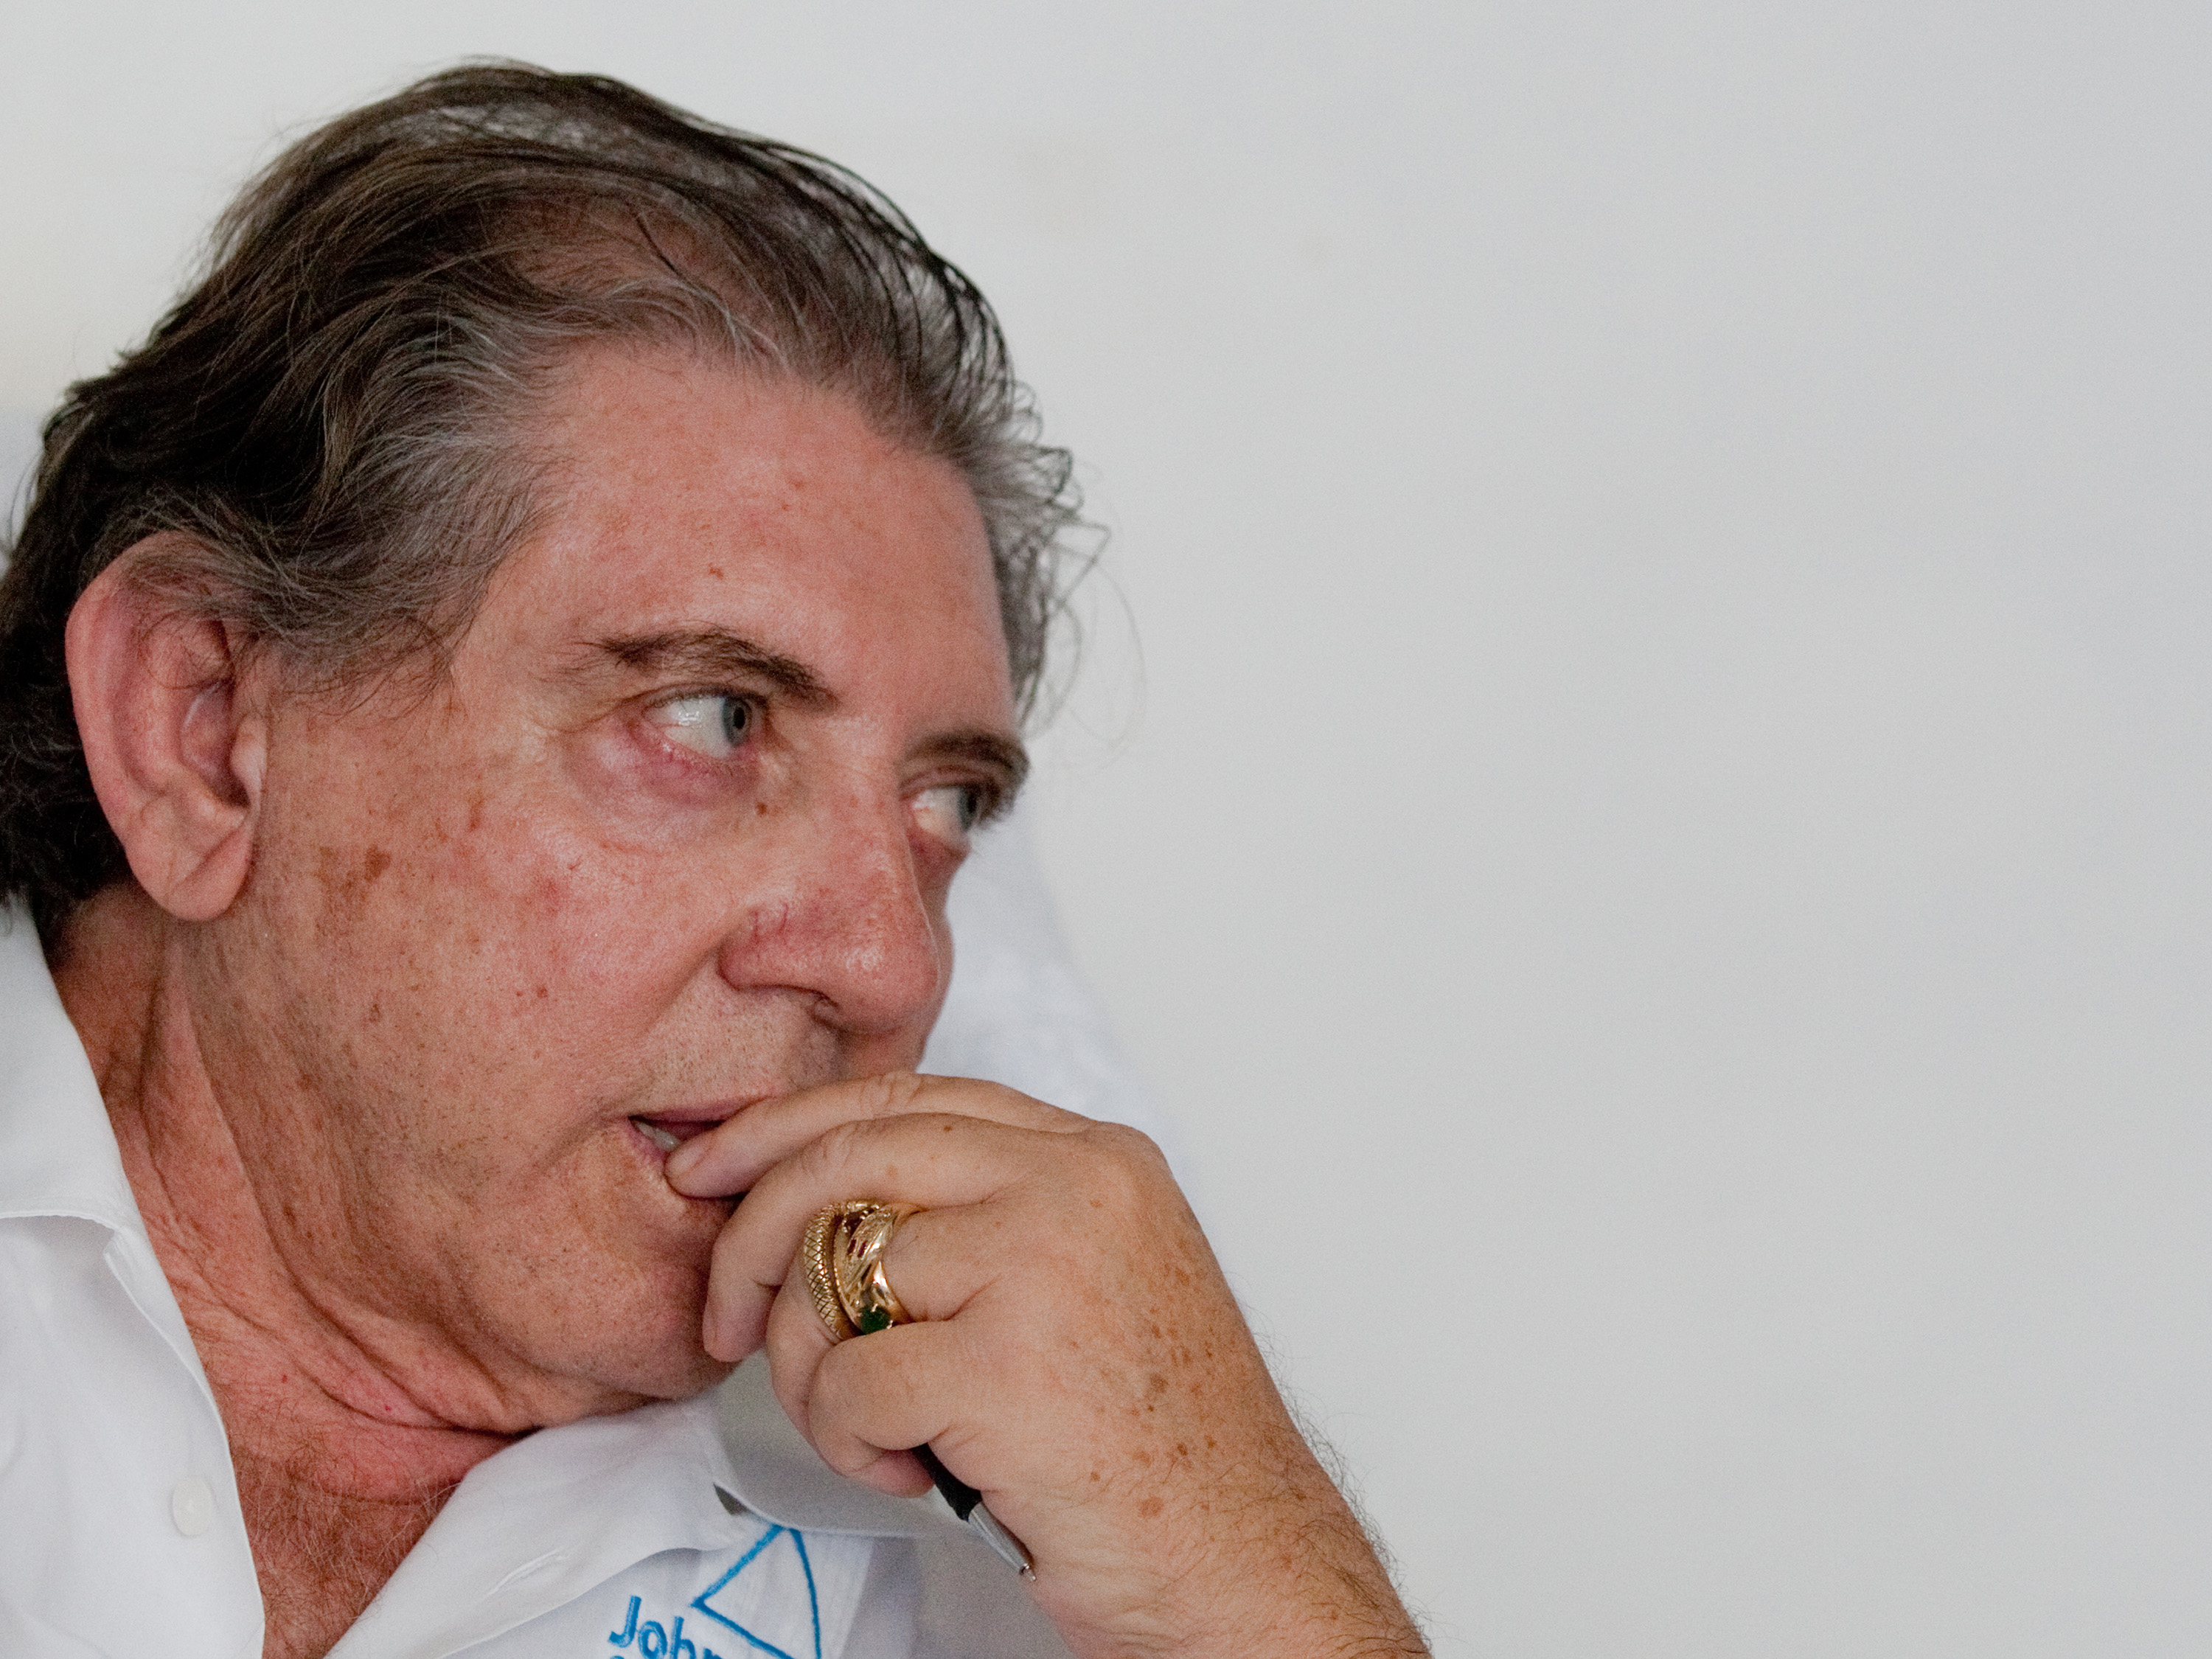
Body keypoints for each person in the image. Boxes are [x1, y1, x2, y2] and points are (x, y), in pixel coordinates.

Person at [0, 64, 1427, 1659]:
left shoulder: (1046, 1564)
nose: (889, 967)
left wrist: (1264, 1584)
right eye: (712, 719)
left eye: (948, 804)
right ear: (204, 732)